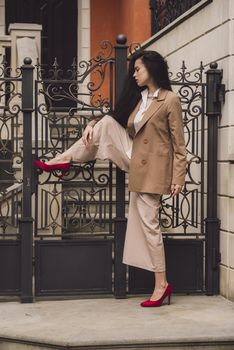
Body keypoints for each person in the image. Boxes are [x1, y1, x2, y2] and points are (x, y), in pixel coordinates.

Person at [35, 50, 187, 307]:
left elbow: (179, 145)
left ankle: (161, 284)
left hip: (153, 170)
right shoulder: (139, 99)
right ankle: (62, 160)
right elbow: (116, 118)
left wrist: (178, 179)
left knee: (149, 225)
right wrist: (92, 123)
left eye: (138, 69)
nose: (134, 74)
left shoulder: (169, 100)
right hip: (135, 159)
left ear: (151, 68)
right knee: (104, 123)